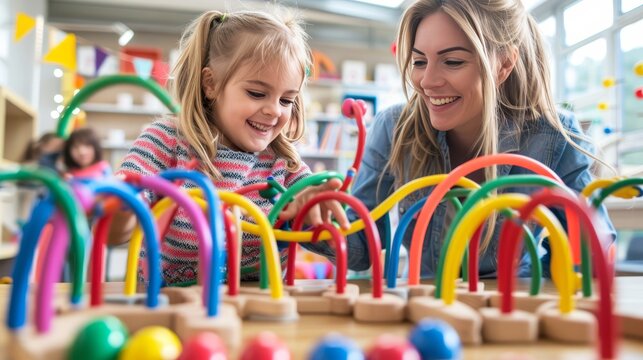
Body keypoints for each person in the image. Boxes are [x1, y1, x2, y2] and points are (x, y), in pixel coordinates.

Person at [301, 0, 615, 278]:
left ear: (504, 64)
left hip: (513, 314)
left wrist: (537, 283)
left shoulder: (554, 136)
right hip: (428, 314)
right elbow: (362, 247)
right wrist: (314, 217)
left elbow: (588, 260)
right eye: (420, 61)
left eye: (452, 62)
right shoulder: (393, 127)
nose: (427, 81)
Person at [109, 9, 347, 285]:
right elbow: (116, 233)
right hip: (169, 304)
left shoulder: (284, 162)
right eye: (257, 93)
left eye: (286, 100)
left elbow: (335, 239)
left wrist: (315, 207)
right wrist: (123, 205)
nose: (274, 111)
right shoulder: (167, 139)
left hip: (256, 307)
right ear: (211, 84)